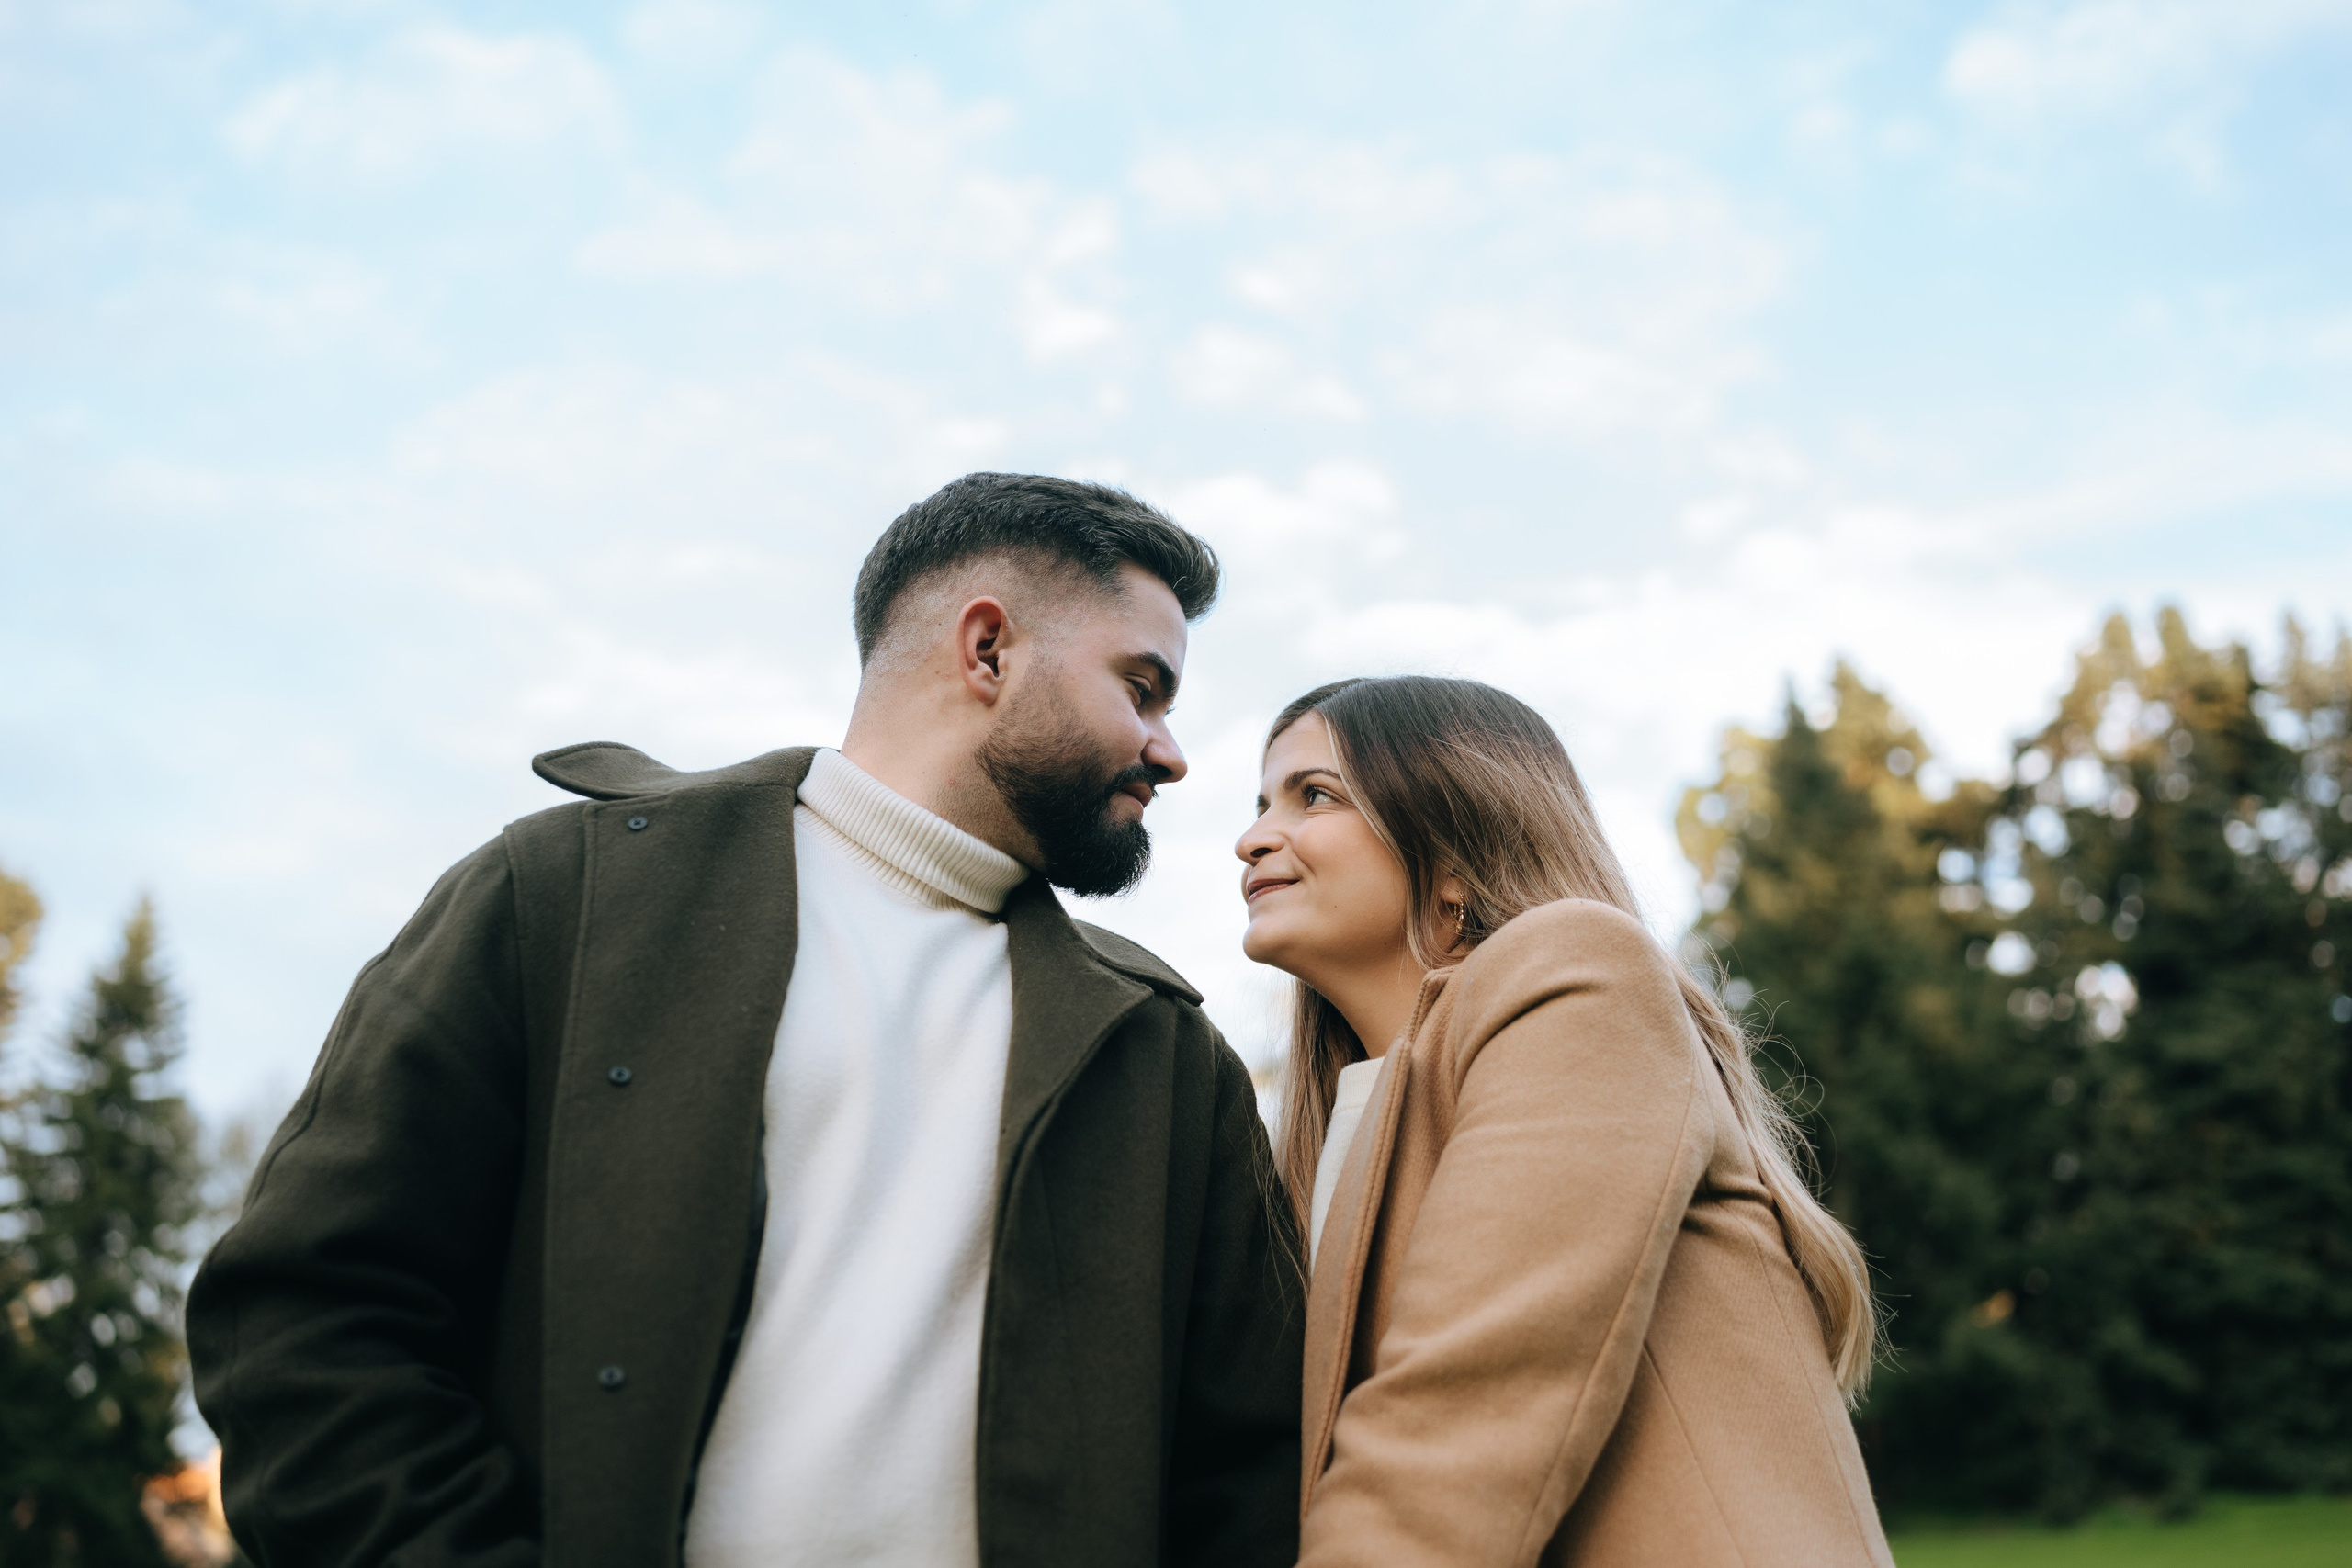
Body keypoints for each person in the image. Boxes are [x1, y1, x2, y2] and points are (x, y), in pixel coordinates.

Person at [188, 473, 1305, 1568]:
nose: (1170, 750)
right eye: (1143, 687)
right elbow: (308, 1319)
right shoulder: (564, 897)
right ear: (987, 650)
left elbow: (1243, 1481)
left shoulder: (1164, 1056)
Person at [1237, 675, 1894, 1567]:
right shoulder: (1337, 1125)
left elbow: (1458, 1411)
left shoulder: (1576, 972)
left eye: (1313, 794)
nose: (1252, 838)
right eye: (1260, 803)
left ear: (1456, 845)